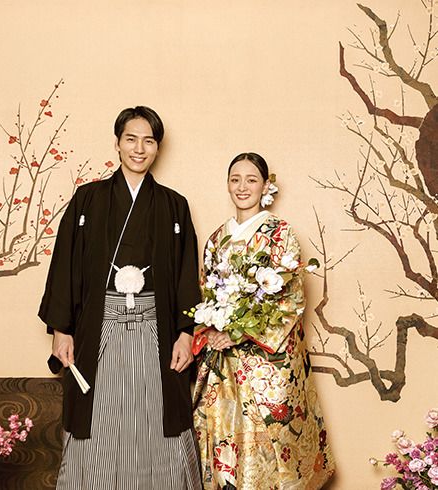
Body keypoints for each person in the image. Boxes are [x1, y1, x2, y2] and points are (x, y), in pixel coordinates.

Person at [38, 106, 202, 489]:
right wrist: (61, 329)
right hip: (100, 327)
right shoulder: (87, 199)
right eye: (131, 139)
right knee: (98, 418)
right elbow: (65, 265)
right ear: (117, 143)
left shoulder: (174, 205)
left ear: (157, 148)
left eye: (148, 141)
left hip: (156, 330)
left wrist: (185, 333)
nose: (139, 149)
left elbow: (185, 274)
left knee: (158, 417)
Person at [192, 152, 335, 489]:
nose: (242, 187)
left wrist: (239, 333)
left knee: (272, 446)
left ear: (265, 186)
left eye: (251, 180)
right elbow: (206, 292)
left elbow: (290, 298)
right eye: (235, 179)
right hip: (224, 359)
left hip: (266, 363)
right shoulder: (216, 238)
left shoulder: (280, 233)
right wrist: (212, 328)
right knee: (223, 438)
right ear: (228, 184)